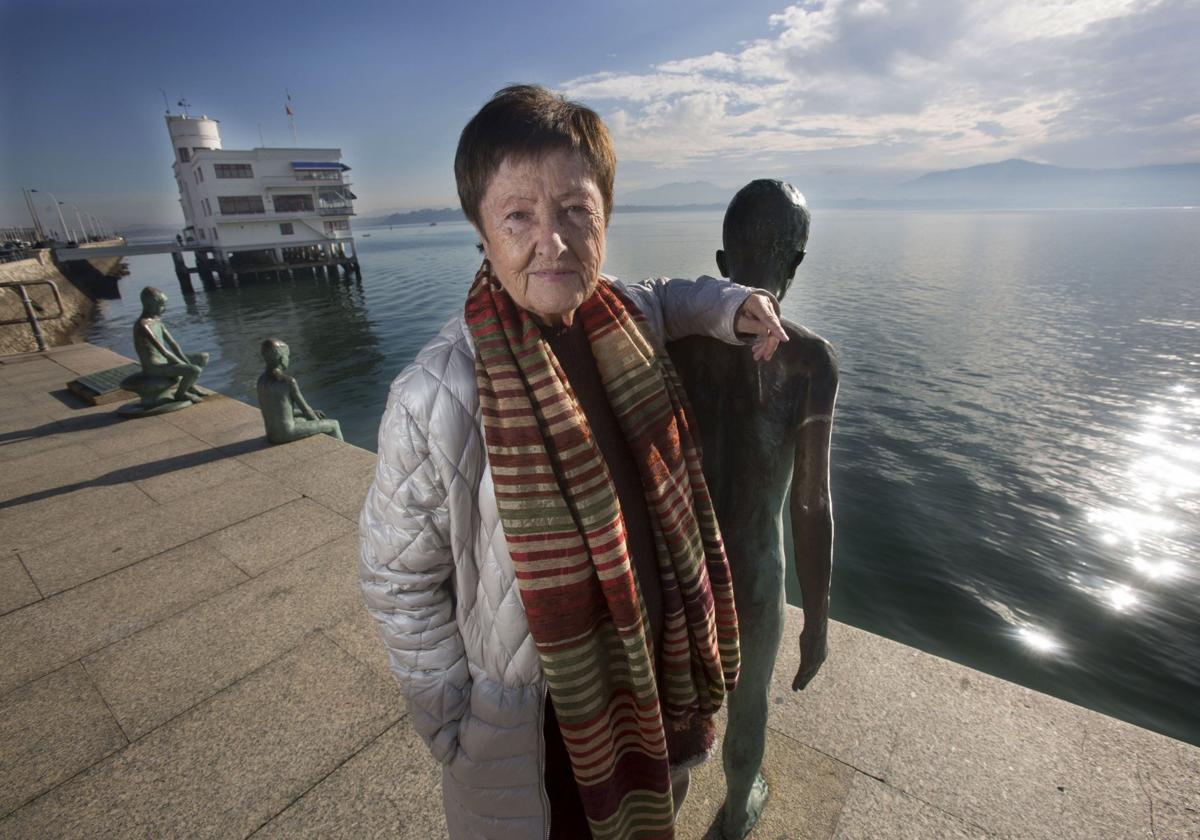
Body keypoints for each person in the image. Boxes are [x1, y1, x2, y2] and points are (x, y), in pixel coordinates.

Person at [359, 85, 788, 840]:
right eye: (518, 214)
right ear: (481, 229)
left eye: (574, 212)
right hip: (530, 727)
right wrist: (453, 722)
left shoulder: (622, 314)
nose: (550, 241)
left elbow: (671, 294)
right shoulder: (437, 393)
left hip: (651, 676)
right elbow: (398, 578)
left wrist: (735, 304)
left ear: (605, 219)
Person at [668, 180, 838, 839]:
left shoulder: (676, 339)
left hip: (685, 569)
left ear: (720, 263)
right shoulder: (811, 361)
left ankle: (662, 814)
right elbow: (812, 504)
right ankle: (737, 810)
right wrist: (817, 621)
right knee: (748, 707)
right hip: (757, 578)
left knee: (676, 711)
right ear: (795, 262)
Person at [256, 338, 343, 443]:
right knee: (334, 424)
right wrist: (320, 424)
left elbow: (278, 410)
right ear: (282, 359)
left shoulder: (260, 381)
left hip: (271, 435)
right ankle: (346, 455)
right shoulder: (288, 382)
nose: (288, 359)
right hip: (287, 434)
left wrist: (306, 414)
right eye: (288, 356)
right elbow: (307, 412)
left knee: (302, 420)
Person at [132, 286, 207, 404]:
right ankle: (180, 394)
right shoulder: (143, 325)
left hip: (165, 361)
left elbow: (173, 344)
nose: (164, 309)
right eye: (161, 306)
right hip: (154, 366)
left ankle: (189, 386)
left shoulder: (157, 321)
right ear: (149, 305)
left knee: (203, 357)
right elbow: (163, 351)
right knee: (194, 370)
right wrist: (182, 363)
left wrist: (184, 360)